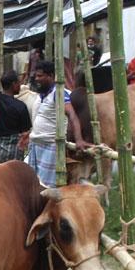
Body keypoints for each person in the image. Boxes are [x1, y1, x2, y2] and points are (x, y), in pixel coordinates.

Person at [26, 60, 89, 188]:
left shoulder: (59, 93)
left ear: (50, 76)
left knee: (46, 187)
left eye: (40, 76)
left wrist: (79, 139)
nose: (36, 79)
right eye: (36, 75)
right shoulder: (41, 94)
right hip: (36, 144)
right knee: (32, 183)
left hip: (50, 147)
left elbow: (72, 115)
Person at [0, 70, 32, 162]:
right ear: (13, 84)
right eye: (19, 82)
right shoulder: (20, 106)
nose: (20, 86)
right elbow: (25, 132)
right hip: (14, 151)